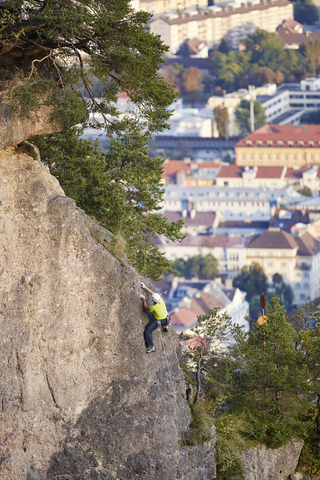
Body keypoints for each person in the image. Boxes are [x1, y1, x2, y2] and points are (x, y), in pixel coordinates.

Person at [140, 282, 169, 354]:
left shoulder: (154, 307)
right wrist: (145, 287)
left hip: (159, 320)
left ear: (153, 301)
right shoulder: (161, 300)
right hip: (166, 317)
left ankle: (152, 347)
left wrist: (144, 299)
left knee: (147, 331)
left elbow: (146, 308)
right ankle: (166, 326)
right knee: (165, 318)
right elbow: (153, 293)